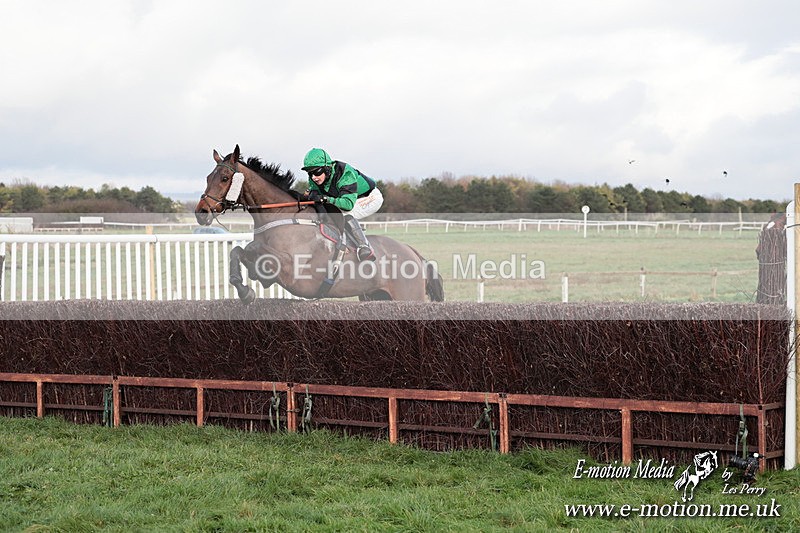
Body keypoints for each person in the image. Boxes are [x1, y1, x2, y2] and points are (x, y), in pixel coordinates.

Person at [301, 148, 383, 261]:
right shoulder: (314, 179)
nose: (314, 177)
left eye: (317, 172)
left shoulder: (345, 173)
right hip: (346, 198)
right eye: (310, 173)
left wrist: (326, 199)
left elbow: (348, 204)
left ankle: (364, 247)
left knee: (342, 214)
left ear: (327, 168)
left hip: (368, 197)